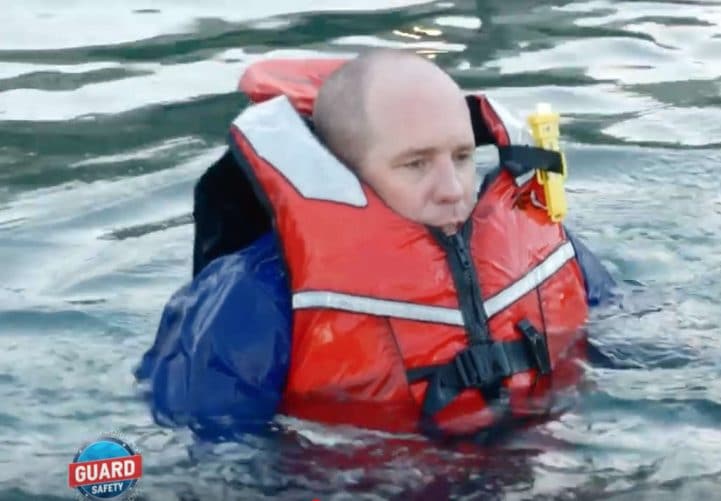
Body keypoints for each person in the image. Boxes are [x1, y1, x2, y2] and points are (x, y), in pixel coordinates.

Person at [134, 49, 617, 443]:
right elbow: (207, 452)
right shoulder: (253, 297)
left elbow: (627, 334)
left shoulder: (535, 246)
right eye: (415, 164)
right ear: (343, 174)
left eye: (462, 156)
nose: (453, 189)